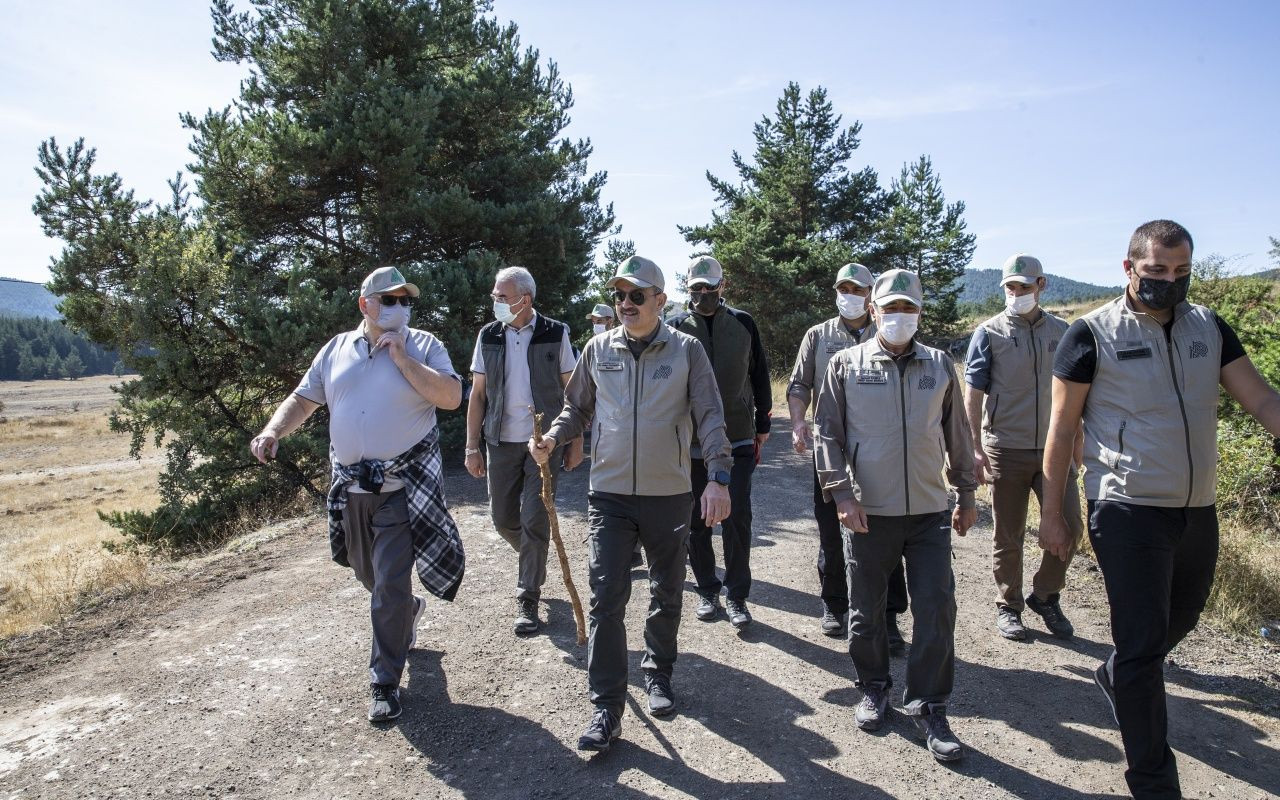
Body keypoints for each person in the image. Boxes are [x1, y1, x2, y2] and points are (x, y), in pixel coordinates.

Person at [1038, 220, 1280, 799]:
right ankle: (1153, 781)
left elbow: (1262, 398)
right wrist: (1054, 513)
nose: (1170, 283)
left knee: (1184, 617)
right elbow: (1061, 427)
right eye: (1157, 272)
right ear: (1129, 269)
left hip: (1196, 506)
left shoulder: (1209, 328)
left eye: (1181, 272)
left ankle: (1117, 673)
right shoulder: (1091, 333)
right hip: (1127, 507)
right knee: (1144, 644)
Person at [529, 255, 732, 753]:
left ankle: (658, 674)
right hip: (611, 494)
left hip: (669, 495)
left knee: (667, 591)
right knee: (605, 598)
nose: (625, 303)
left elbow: (710, 415)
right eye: (619, 295)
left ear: (660, 301)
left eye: (636, 295)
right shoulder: (598, 350)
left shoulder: (686, 352)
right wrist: (553, 439)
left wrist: (719, 479)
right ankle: (606, 706)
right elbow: (576, 408)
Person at [249, 266, 465, 723]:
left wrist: (403, 359)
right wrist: (274, 430)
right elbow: (305, 399)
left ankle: (384, 681)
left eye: (405, 300)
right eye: (389, 299)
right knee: (369, 575)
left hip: (404, 489)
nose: (399, 307)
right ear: (365, 304)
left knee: (387, 582)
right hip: (351, 487)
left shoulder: (425, 345)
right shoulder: (335, 350)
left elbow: (450, 397)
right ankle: (407, 611)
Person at [814, 268, 977, 763]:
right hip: (870, 511)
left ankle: (931, 703)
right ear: (874, 310)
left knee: (936, 606)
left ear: (919, 313)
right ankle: (874, 686)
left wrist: (966, 494)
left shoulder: (940, 365)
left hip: (928, 511)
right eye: (890, 308)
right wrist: (842, 495)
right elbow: (827, 434)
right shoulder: (846, 363)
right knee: (866, 611)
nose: (899, 316)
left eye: (909, 308)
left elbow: (958, 433)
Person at [789, 262, 909, 647]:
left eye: (858, 290)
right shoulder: (818, 336)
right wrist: (797, 423)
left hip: (881, 451)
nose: (850, 296)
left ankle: (888, 616)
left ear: (871, 295)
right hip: (831, 448)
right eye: (844, 288)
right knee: (831, 529)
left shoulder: (888, 331)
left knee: (885, 533)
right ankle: (834, 604)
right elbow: (798, 385)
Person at [965, 254, 1083, 642]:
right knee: (1008, 533)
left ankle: (1046, 595)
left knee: (1070, 526)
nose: (1016, 294)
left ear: (1041, 286)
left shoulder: (1064, 331)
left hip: (1055, 449)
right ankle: (1008, 604)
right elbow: (974, 393)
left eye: (1024, 287)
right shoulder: (989, 332)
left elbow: (1078, 395)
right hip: (1006, 447)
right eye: (1010, 288)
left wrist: (1080, 440)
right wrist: (975, 448)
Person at [464, 267, 583, 635]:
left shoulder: (555, 332)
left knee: (535, 519)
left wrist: (575, 441)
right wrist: (471, 446)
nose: (495, 302)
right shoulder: (489, 336)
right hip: (499, 442)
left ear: (524, 300)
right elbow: (478, 395)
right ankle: (535, 557)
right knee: (503, 520)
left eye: (501, 297)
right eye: (495, 296)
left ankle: (527, 595)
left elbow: (574, 391)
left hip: (543, 444)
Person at [667, 256, 771, 628]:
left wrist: (763, 420)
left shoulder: (743, 323)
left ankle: (738, 595)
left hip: (738, 436)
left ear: (722, 287)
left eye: (710, 289)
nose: (703, 295)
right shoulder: (676, 326)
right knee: (696, 519)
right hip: (691, 440)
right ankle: (708, 588)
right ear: (687, 288)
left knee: (737, 515)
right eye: (696, 289)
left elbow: (759, 371)